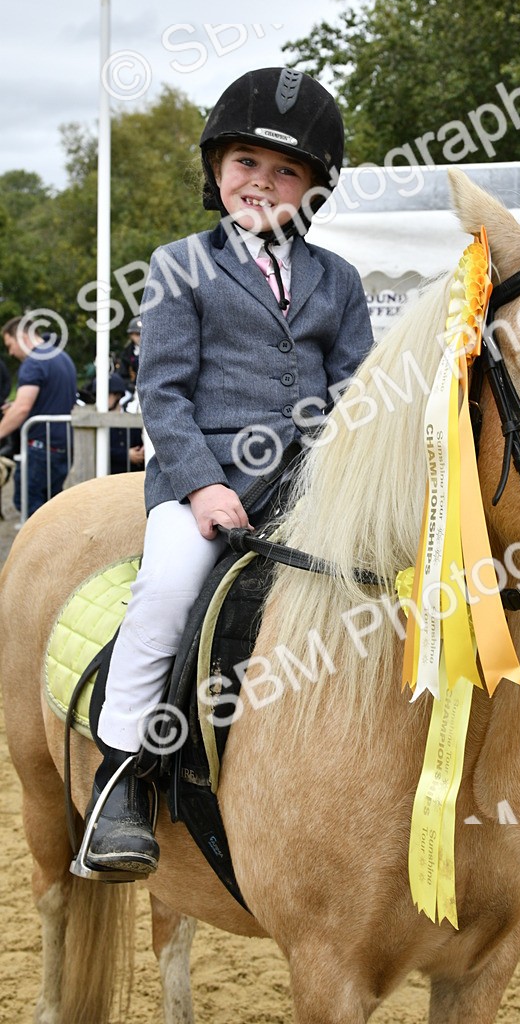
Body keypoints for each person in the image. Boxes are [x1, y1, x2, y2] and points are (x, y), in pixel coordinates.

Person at [81, 67, 373, 880]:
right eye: (247, 163)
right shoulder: (180, 265)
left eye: (286, 172)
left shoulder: (339, 281)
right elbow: (162, 393)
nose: (262, 183)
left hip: (311, 488)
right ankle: (121, 781)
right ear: (217, 168)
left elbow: (354, 391)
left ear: (311, 190)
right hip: (204, 479)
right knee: (170, 590)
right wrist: (203, 485)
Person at [0, 318, 78, 517]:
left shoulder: (33, 363)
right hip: (63, 447)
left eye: (10, 345)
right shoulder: (62, 357)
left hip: (40, 448)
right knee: (52, 508)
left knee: (29, 506)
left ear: (22, 337)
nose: (10, 352)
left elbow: (22, 408)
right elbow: (51, 397)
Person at [115, 317, 141, 388]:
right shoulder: (127, 352)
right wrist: (130, 385)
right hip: (133, 388)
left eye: (141, 333)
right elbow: (122, 374)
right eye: (136, 334)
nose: (139, 337)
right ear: (131, 335)